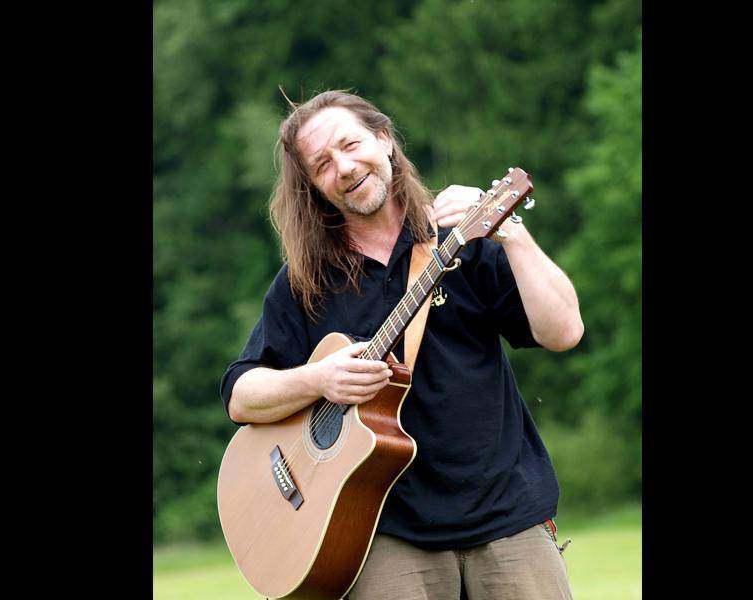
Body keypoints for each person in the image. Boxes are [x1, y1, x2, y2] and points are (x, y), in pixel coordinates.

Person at [220, 90, 583, 600]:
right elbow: (242, 395)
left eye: (351, 145)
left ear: (384, 140)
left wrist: (513, 236)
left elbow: (564, 331)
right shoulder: (305, 282)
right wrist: (319, 379)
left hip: (507, 515)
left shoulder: (463, 238)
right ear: (313, 188)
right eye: (323, 164)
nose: (345, 167)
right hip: (382, 533)